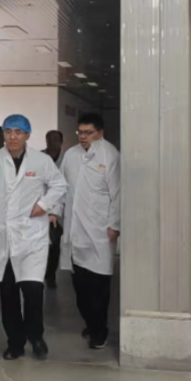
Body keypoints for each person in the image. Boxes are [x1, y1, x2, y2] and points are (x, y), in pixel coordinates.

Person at [0, 115, 67, 362]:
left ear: (27, 135)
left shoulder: (41, 161)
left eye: (18, 132)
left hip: (32, 236)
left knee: (33, 291)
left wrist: (44, 205)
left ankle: (36, 337)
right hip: (4, 237)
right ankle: (15, 342)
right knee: (7, 294)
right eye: (8, 131)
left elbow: (59, 185)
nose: (13, 136)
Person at [55, 113, 120, 350]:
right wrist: (54, 211)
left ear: (100, 133)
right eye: (80, 132)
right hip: (75, 230)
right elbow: (60, 187)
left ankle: (99, 331)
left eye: (88, 133)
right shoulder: (71, 155)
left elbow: (118, 193)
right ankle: (92, 323)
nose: (83, 137)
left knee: (98, 288)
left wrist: (115, 225)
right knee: (80, 287)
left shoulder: (110, 155)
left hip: (100, 232)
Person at [42, 130, 65, 288]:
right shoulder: (38, 158)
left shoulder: (66, 159)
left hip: (59, 208)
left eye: (56, 139)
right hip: (40, 207)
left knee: (55, 242)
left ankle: (50, 274)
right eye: (49, 139)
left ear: (61, 142)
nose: (52, 142)